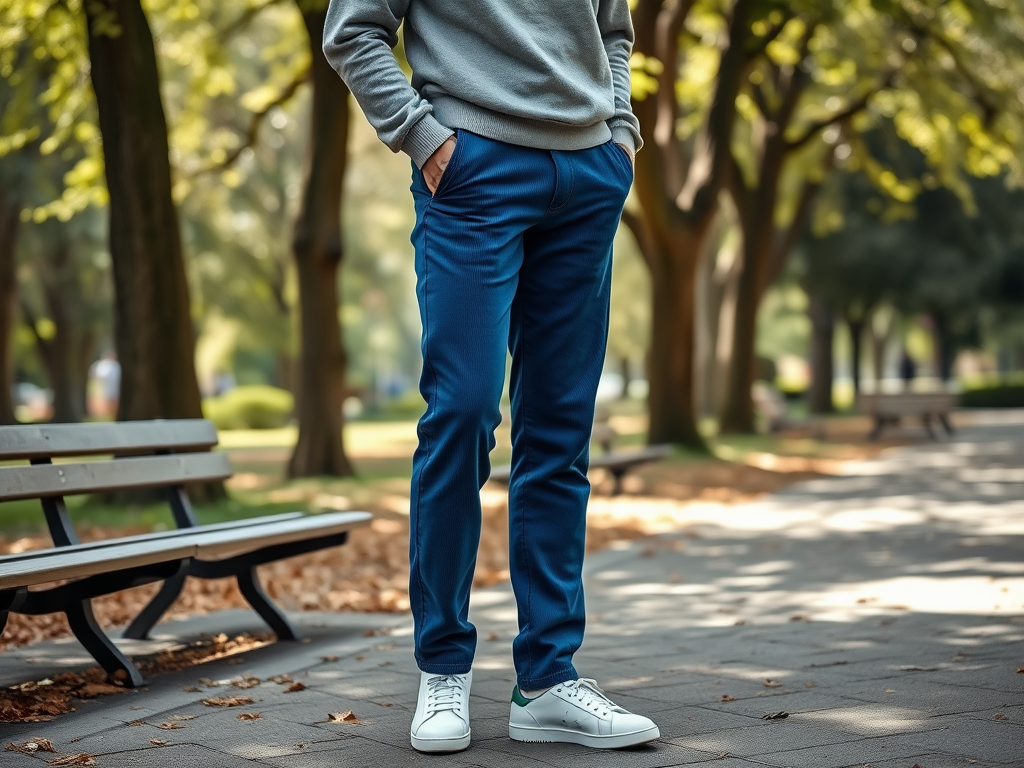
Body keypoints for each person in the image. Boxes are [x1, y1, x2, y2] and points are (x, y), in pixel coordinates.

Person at [323, 0, 659, 753]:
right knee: (463, 413)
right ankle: (443, 665)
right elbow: (352, 29)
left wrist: (620, 134)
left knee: (559, 434)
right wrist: (424, 138)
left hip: (588, 173)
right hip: (471, 168)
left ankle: (547, 679)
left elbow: (612, 29)